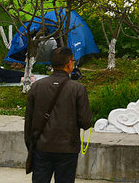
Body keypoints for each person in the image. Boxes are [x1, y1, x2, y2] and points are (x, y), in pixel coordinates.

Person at [24, 47, 93, 183]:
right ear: (69, 64)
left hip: (41, 147)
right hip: (67, 149)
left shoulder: (37, 86)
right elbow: (86, 122)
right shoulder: (77, 88)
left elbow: (29, 121)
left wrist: (31, 145)